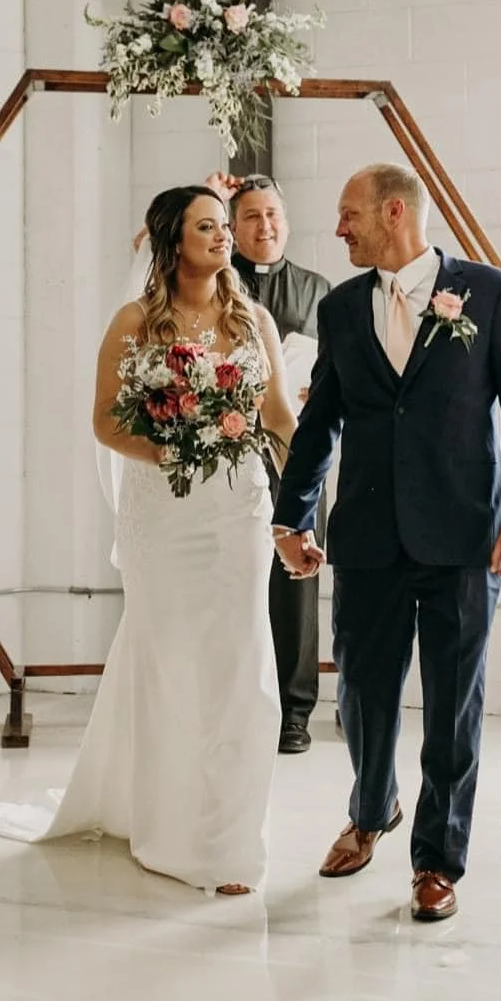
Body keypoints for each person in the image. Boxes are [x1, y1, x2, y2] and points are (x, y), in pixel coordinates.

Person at [0, 185, 298, 896]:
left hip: (238, 510)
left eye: (223, 225)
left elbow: (276, 416)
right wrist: (173, 447)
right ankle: (169, 827)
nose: (223, 235)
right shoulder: (135, 322)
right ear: (172, 241)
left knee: (241, 665)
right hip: (164, 515)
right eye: (206, 226)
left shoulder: (253, 320)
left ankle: (231, 836)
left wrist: (297, 509)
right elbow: (106, 421)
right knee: (170, 663)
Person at [273, 162, 501, 923]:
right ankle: (371, 810)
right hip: (367, 536)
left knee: (454, 703)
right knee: (362, 694)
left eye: (350, 214)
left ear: (394, 212)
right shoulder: (339, 308)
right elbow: (320, 423)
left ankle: (436, 859)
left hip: (464, 535)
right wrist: (292, 518)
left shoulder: (489, 292)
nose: (339, 228)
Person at [219, 171, 331, 755]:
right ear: (233, 227)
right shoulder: (215, 282)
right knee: (235, 579)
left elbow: (336, 368)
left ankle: (294, 712)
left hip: (298, 452)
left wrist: (315, 391)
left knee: (295, 584)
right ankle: (236, 705)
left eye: (273, 215)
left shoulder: (318, 289)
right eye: (252, 216)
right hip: (228, 454)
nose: (265, 226)